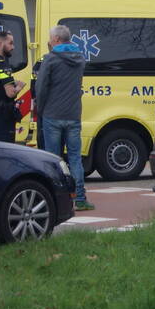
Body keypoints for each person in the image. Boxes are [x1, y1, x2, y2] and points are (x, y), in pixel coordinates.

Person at [35, 25, 94, 211]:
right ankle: (81, 199)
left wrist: (40, 109)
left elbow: (41, 87)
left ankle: (57, 199)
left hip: (52, 115)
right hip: (73, 115)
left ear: (57, 40)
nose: (50, 41)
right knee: (75, 158)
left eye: (51, 39)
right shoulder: (80, 59)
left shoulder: (50, 59)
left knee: (54, 159)